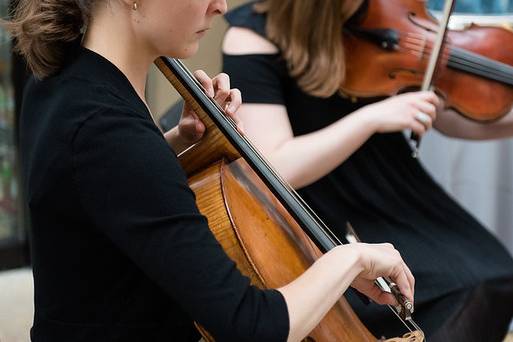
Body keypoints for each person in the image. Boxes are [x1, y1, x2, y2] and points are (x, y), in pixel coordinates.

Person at [4, 0, 416, 341]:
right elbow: (254, 326)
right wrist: (349, 259)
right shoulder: (108, 128)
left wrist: (180, 142)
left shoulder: (67, 79)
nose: (220, 7)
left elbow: (99, 190)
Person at [221, 1, 513, 341]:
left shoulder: (385, 16)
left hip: (388, 181)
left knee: (494, 277)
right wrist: (372, 119)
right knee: (454, 288)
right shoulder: (253, 36)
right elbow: (274, 166)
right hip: (317, 200)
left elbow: (448, 115)